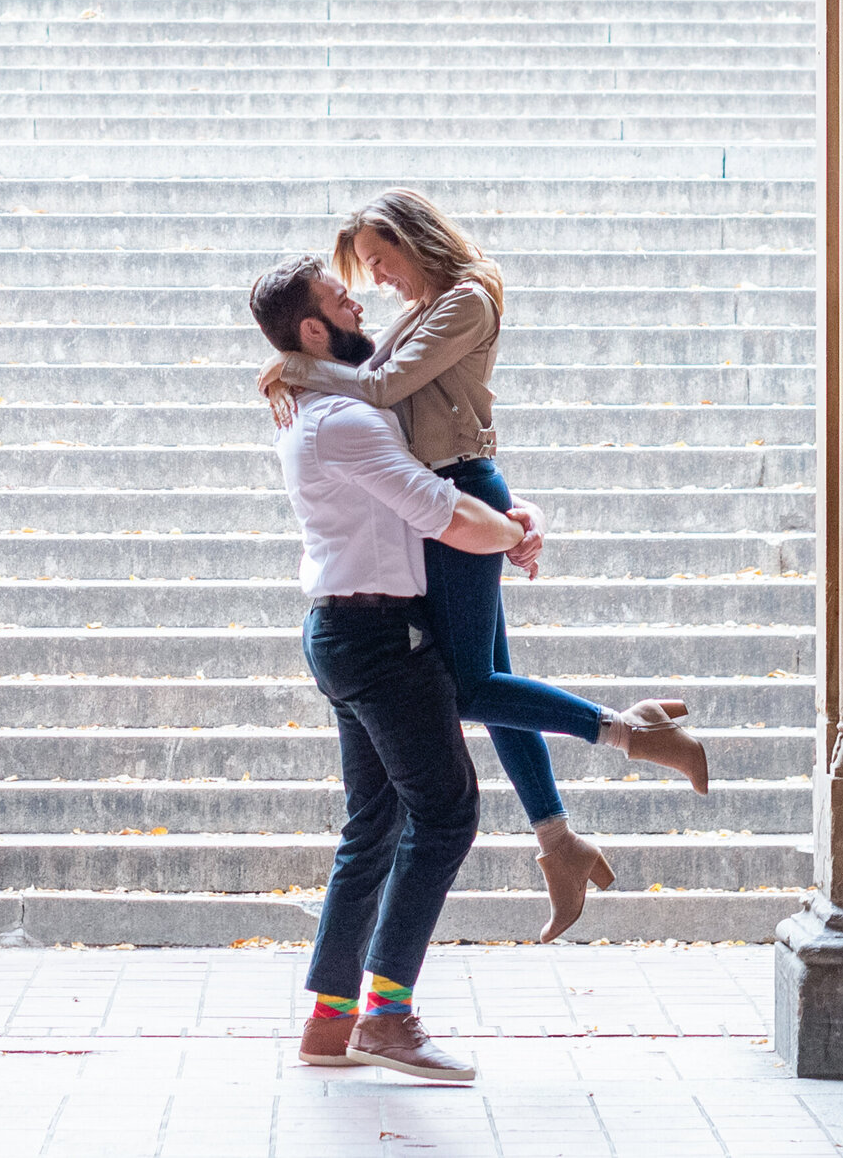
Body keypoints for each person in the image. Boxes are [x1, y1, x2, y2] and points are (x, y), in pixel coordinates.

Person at [258, 188, 709, 943]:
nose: (377, 282)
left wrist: (296, 369)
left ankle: (630, 734)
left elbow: (381, 389)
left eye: (380, 261)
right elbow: (404, 404)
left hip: (457, 492)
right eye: (362, 273)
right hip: (451, 491)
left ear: (413, 239)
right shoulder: (422, 308)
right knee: (487, 680)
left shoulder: (466, 298)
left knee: (466, 687)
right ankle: (558, 839)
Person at [250, 252, 543, 1084]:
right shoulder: (341, 419)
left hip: (347, 631)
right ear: (316, 330)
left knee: (373, 825)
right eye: (346, 300)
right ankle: (386, 1016)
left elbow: (431, 504)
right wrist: (513, 535)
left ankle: (328, 1020)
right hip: (378, 641)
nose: (362, 306)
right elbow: (438, 512)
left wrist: (511, 514)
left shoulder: (321, 406)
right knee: (445, 815)